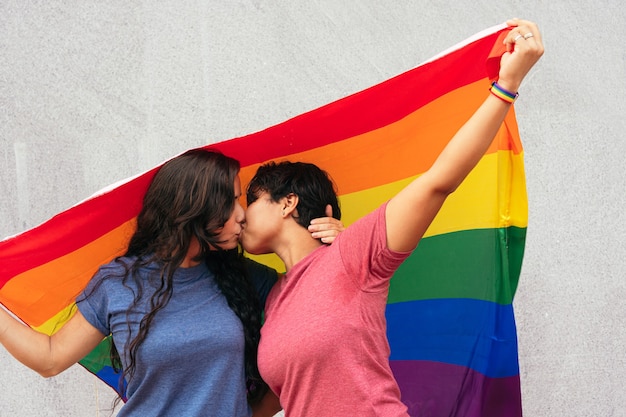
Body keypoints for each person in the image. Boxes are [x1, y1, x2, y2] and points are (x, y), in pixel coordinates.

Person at [240, 19, 544, 417]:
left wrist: (505, 88)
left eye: (251, 199)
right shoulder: (276, 299)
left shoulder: (353, 253)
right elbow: (288, 395)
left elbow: (439, 181)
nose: (241, 215)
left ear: (287, 203)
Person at [0, 148, 342, 416]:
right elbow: (49, 358)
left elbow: (322, 301)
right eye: (232, 201)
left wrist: (340, 247)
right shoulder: (119, 284)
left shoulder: (243, 277)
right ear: (197, 205)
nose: (242, 215)